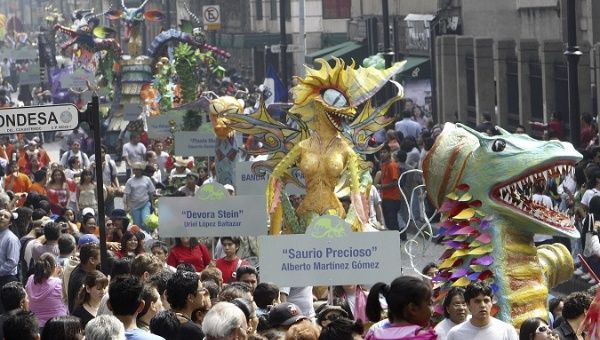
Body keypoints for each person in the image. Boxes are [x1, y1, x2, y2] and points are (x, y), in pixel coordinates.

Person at [364, 276, 436, 340]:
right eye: (429, 304)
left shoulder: (374, 335)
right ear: (413, 309)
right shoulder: (424, 336)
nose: (432, 309)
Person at [446, 282, 518, 340]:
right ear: (468, 304)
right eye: (477, 301)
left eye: (486, 301)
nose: (483, 305)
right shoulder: (455, 334)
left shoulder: (506, 331)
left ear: (492, 302)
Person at [25, 253, 67, 327]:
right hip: (57, 324)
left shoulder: (30, 279)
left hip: (36, 324)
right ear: (54, 267)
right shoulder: (58, 283)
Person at [166, 270, 210, 339]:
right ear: (190, 297)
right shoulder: (194, 332)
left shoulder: (161, 320)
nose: (204, 292)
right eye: (201, 290)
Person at [67, 243, 100, 312]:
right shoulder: (82, 281)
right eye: (100, 257)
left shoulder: (82, 267)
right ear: (92, 260)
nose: (101, 260)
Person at [124, 161, 155, 231]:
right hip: (134, 206)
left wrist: (152, 204)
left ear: (141, 170)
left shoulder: (147, 179)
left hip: (145, 204)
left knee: (146, 221)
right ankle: (140, 239)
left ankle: (148, 237)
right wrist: (128, 206)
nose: (136, 171)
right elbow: (127, 195)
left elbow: (151, 193)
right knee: (138, 225)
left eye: (137, 169)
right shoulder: (130, 181)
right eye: (134, 169)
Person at [0, 209, 19, 313]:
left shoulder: (11, 239)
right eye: (0, 215)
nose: (2, 217)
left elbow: (12, 262)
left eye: (5, 216)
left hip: (6, 279)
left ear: (10, 223)